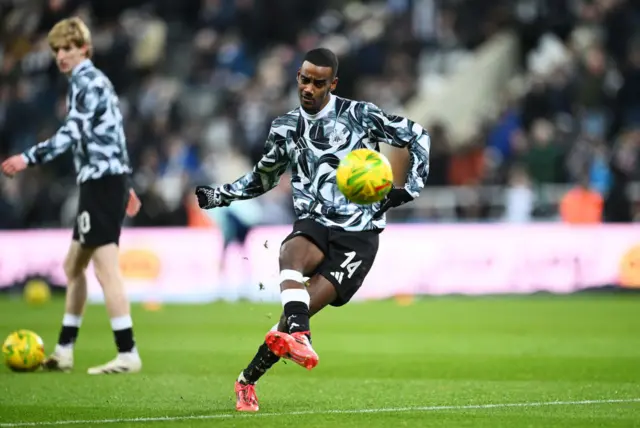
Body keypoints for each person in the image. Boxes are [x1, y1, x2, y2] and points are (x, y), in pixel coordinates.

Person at [195, 48, 431, 412]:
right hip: (315, 220)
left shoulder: (360, 115)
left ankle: (246, 380)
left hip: (359, 234)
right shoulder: (285, 127)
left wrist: (409, 188)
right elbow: (264, 178)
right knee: (290, 254)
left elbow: (417, 135)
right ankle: (302, 335)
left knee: (290, 316)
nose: (308, 88)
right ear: (298, 78)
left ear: (332, 84)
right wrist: (220, 195)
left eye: (318, 83)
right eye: (304, 79)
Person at [1, 17, 143, 374]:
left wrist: (27, 158)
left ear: (85, 49)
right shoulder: (95, 81)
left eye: (67, 48)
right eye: (56, 50)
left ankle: (127, 353)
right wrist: (126, 183)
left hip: (101, 182)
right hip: (105, 180)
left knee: (104, 268)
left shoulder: (85, 80)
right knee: (72, 266)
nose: (61, 55)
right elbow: (115, 132)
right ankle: (64, 350)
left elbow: (71, 133)